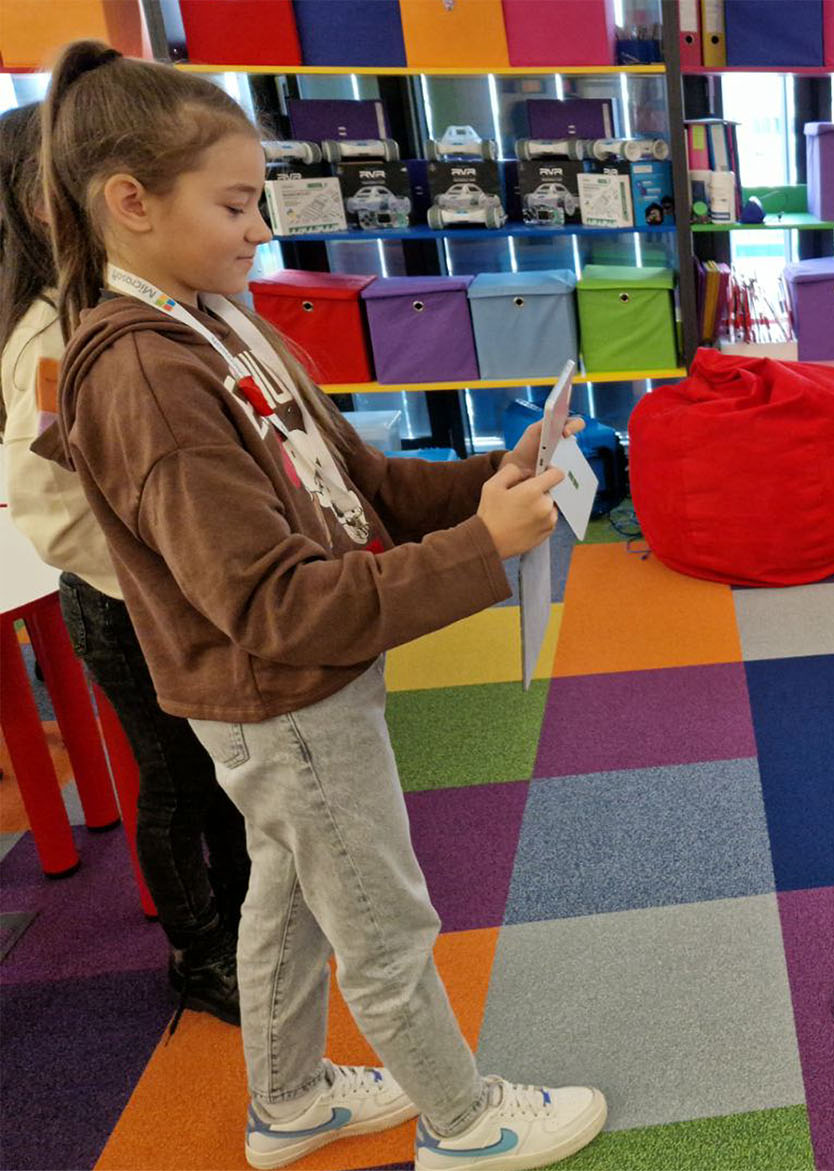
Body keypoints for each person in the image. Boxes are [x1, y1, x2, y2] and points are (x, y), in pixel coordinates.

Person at [34, 41, 604, 1171]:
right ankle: (465, 1124)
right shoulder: (146, 370)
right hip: (282, 692)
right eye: (236, 203)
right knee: (379, 918)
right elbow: (274, 607)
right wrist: (480, 551)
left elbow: (361, 484)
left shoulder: (218, 319)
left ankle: (289, 1098)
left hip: (295, 686)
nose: (261, 227)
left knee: (291, 893)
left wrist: (495, 472)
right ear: (130, 202)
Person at [1, 100, 251, 1027]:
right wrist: (167, 564)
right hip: (130, 601)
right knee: (177, 778)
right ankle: (201, 953)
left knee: (220, 769)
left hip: (182, 589)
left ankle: (249, 922)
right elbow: (54, 510)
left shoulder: (132, 308)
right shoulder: (53, 338)